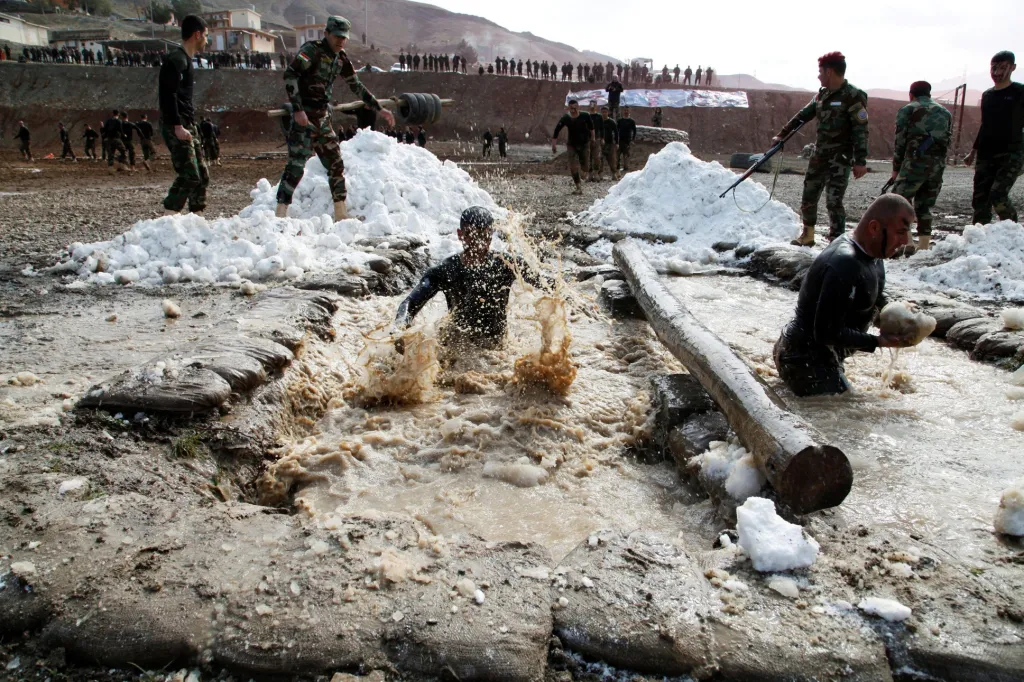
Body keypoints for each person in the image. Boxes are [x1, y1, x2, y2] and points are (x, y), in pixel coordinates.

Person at [773, 194, 915, 397]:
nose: (905, 241)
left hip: (825, 354)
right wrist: (878, 342)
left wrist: (899, 317)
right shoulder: (844, 263)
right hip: (802, 359)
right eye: (900, 232)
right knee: (850, 418)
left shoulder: (873, 252)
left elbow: (872, 296)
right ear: (874, 228)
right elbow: (826, 333)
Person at [275, 16, 394, 220]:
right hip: (304, 117)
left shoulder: (341, 58)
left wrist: (379, 108)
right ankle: (280, 213)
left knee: (336, 164)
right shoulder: (312, 51)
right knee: (296, 166)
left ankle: (341, 213)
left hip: (322, 118)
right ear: (327, 34)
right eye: (337, 36)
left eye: (344, 38)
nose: (341, 41)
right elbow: (290, 75)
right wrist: (297, 109)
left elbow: (355, 85)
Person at [394, 206, 538, 350]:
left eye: (483, 234)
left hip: (496, 349)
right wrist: (400, 328)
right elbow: (410, 302)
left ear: (491, 234)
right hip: (458, 347)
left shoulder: (507, 264)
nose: (478, 242)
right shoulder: (446, 270)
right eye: (470, 234)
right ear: (460, 234)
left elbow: (547, 283)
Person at [774, 52, 869, 245]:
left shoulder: (853, 95)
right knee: (809, 193)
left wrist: (860, 161)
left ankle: (837, 240)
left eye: (821, 72)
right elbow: (803, 115)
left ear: (830, 71)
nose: (818, 76)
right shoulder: (822, 95)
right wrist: (782, 134)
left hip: (840, 157)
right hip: (820, 155)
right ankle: (807, 235)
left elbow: (861, 129)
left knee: (834, 200)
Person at [890, 81, 952, 252]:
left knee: (900, 202)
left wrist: (896, 169)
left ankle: (907, 242)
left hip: (913, 166)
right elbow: (947, 141)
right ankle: (924, 246)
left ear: (911, 94)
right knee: (925, 205)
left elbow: (900, 142)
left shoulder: (908, 110)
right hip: (937, 167)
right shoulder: (945, 113)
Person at [965, 50, 1024, 226]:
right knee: (980, 198)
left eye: (1003, 68)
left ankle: (1012, 232)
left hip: (1012, 152)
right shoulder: (988, 95)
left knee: (998, 194)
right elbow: (985, 124)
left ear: (1013, 68)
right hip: (986, 152)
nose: (997, 73)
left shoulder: (1020, 92)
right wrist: (973, 152)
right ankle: (980, 236)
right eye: (994, 68)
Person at [159, 15, 209, 214]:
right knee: (189, 175)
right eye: (205, 35)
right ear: (197, 35)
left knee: (202, 176)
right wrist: (177, 126)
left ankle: (197, 221)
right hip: (177, 125)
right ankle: (168, 217)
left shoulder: (187, 61)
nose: (206, 40)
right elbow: (167, 95)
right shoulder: (176, 60)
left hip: (189, 123)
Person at [551, 99, 594, 195]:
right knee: (573, 165)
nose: (573, 110)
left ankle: (584, 171)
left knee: (585, 165)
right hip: (572, 144)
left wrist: (593, 139)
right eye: (571, 108)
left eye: (575, 108)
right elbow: (557, 130)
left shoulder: (585, 115)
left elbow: (591, 127)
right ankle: (578, 186)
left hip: (584, 143)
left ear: (578, 107)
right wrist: (554, 144)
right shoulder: (566, 118)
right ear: (568, 108)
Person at [597, 105, 619, 181]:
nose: (604, 113)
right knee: (600, 159)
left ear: (608, 112)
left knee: (612, 160)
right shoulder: (599, 121)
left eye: (605, 112)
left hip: (610, 143)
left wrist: (617, 143)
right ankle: (600, 175)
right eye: (603, 112)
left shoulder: (611, 122)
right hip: (600, 143)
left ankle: (614, 174)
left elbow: (616, 132)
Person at [586, 100, 603, 181]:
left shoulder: (599, 116)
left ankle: (596, 172)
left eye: (594, 104)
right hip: (587, 139)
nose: (592, 106)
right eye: (591, 104)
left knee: (597, 157)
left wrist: (602, 138)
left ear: (596, 106)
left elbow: (602, 128)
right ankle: (589, 174)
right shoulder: (586, 116)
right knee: (588, 157)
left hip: (597, 139)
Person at [617, 106, 637, 172]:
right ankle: (617, 167)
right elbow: (617, 130)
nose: (626, 112)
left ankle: (625, 168)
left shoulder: (632, 121)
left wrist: (633, 139)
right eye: (625, 110)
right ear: (623, 111)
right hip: (620, 140)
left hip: (627, 140)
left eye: (627, 111)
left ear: (629, 111)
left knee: (626, 155)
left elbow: (634, 131)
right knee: (618, 154)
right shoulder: (620, 121)